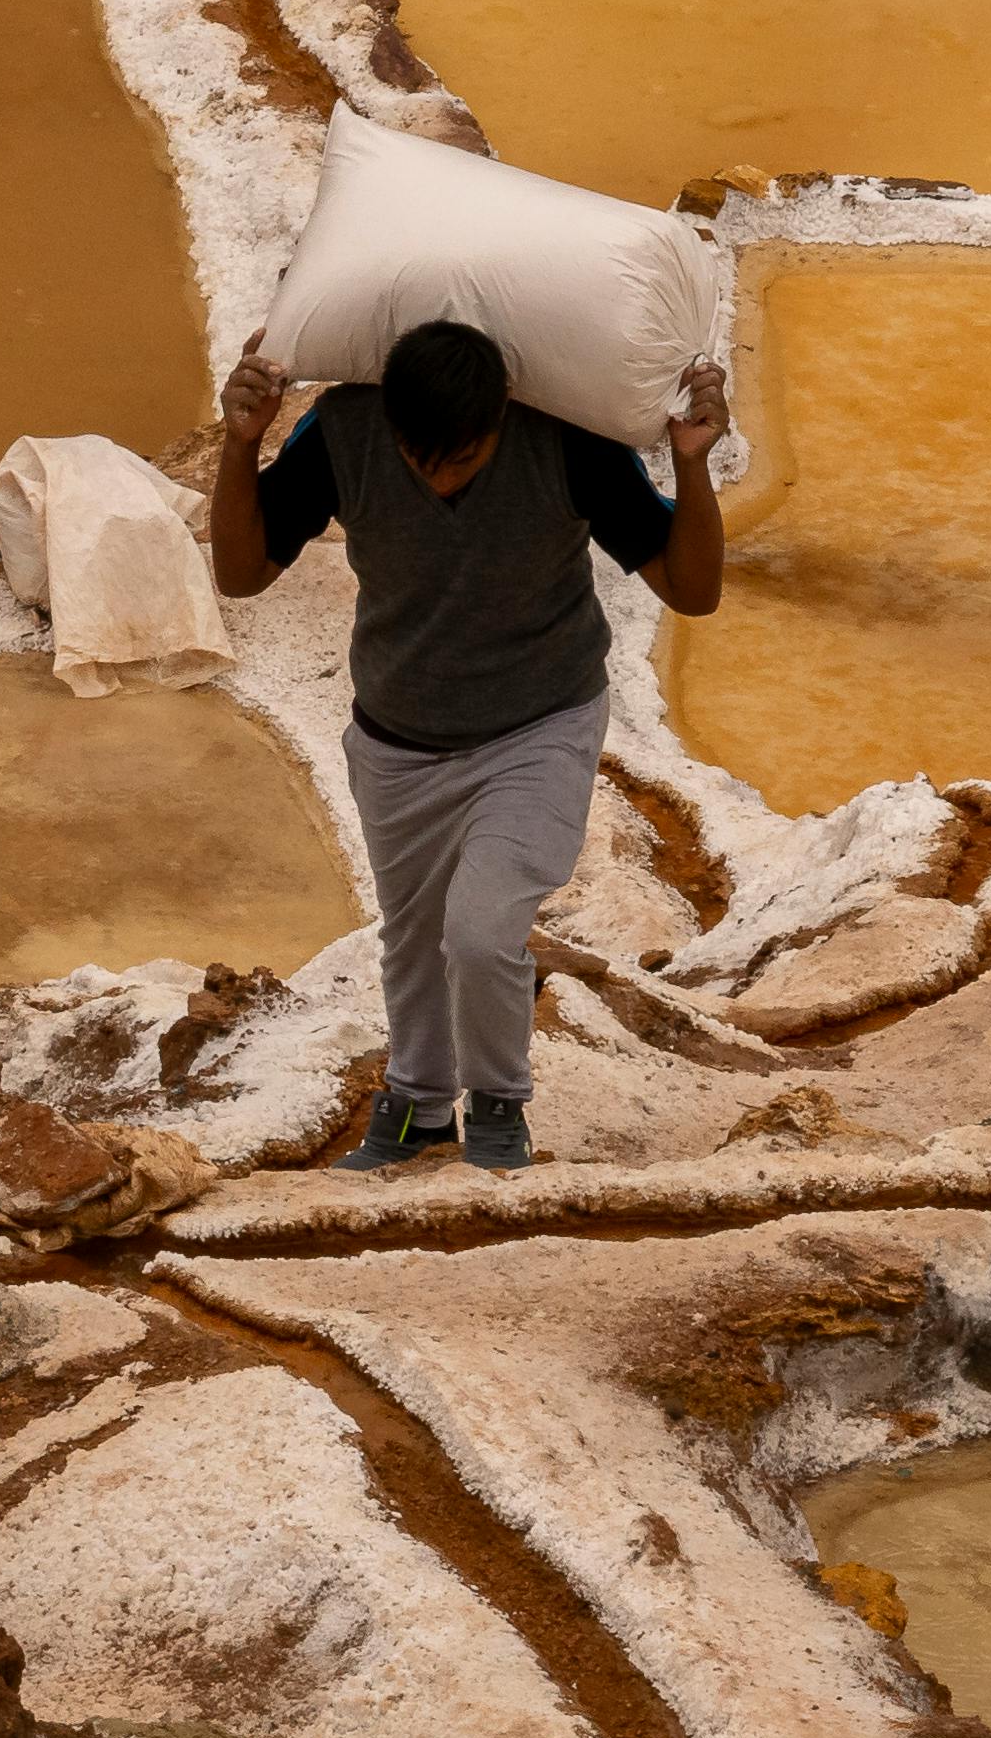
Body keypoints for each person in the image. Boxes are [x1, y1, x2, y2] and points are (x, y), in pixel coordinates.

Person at [207, 319, 726, 1170]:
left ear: (502, 416)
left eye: (463, 455)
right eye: (421, 456)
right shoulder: (347, 426)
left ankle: (496, 1108)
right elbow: (243, 571)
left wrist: (694, 464)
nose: (439, 473)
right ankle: (417, 1104)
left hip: (539, 727)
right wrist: (240, 446)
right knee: (412, 938)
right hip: (395, 738)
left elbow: (692, 588)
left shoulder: (567, 440)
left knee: (481, 933)